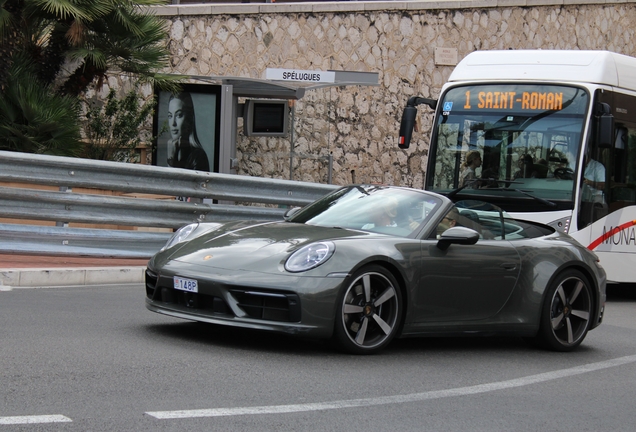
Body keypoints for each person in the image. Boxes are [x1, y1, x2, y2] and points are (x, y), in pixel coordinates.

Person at [166, 92, 210, 172]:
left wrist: (171, 160)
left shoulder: (198, 156)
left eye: (179, 115)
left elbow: (174, 183)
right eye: (170, 116)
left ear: (189, 118)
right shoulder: (176, 149)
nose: (173, 123)